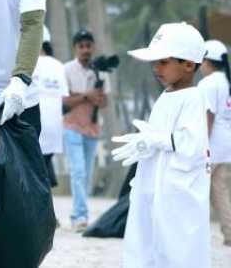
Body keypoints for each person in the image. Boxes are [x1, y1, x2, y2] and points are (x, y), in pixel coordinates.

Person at [112, 22, 210, 268]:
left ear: (188, 64)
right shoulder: (166, 96)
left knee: (178, 249)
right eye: (154, 62)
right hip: (153, 187)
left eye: (163, 61)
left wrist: (156, 140)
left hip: (178, 193)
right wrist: (144, 146)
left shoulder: (194, 98)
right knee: (145, 243)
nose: (156, 68)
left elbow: (192, 144)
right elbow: (158, 137)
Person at [62, 29, 111, 232]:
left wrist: (99, 97)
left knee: (87, 174)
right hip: (72, 126)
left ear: (93, 47)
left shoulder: (101, 71)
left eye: (88, 45)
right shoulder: (66, 70)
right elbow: (63, 103)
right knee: (79, 171)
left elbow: (106, 101)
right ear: (75, 48)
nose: (85, 49)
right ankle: (79, 216)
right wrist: (86, 96)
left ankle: (79, 213)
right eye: (81, 46)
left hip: (92, 127)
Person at [198, 39, 231, 246]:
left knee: (202, 189)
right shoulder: (227, 81)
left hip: (212, 144)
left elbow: (207, 117)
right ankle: (228, 231)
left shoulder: (208, 84)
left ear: (207, 62)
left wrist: (202, 146)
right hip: (226, 143)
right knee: (219, 189)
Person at [33, 26, 69, 195]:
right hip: (54, 127)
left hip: (35, 126)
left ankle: (44, 215)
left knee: (36, 173)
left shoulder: (30, 64)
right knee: (44, 169)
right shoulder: (58, 66)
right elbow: (63, 97)